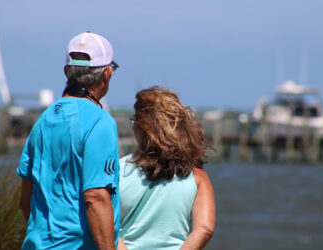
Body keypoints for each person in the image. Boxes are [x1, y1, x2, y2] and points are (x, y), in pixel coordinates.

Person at [17, 31, 121, 249]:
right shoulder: (101, 122)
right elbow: (96, 198)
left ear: (67, 71)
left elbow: (25, 201)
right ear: (107, 73)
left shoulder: (43, 121)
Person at [118, 86, 215, 250]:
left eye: (134, 121)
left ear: (143, 127)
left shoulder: (116, 171)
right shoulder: (196, 175)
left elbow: (104, 225)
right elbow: (205, 228)